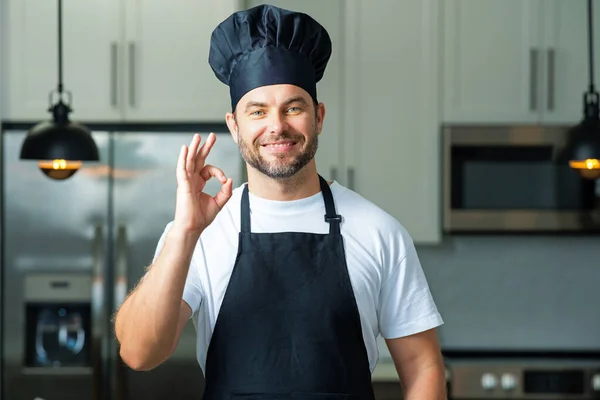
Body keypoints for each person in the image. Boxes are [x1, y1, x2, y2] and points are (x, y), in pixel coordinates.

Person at [114, 4, 446, 399]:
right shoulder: (202, 233)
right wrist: (184, 232)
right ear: (235, 126)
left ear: (318, 117)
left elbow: (423, 367)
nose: (277, 126)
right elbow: (139, 353)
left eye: (293, 107)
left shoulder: (378, 231)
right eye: (258, 111)